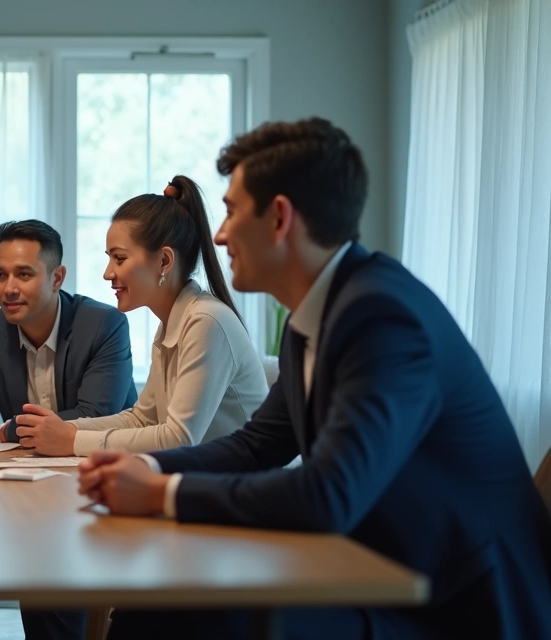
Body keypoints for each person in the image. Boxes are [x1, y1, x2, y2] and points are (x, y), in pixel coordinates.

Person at [78, 118, 551, 639]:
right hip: (378, 567)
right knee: (158, 607)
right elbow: (256, 446)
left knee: (181, 613)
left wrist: (160, 493)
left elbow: (328, 494)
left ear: (279, 218)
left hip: (453, 604)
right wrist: (140, 464)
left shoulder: (383, 317)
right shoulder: (314, 317)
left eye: (232, 211)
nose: (218, 233)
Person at [14, 177, 268, 458]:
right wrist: (63, 429)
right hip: (214, 483)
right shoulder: (172, 323)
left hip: (254, 492)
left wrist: (71, 441)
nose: (108, 273)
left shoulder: (206, 321)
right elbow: (142, 419)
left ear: (164, 261)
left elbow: (178, 437)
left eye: (119, 259)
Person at [0, 220, 136, 457]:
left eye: (23, 274)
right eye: (1, 275)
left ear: (57, 278)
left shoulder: (103, 325)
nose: (9, 288)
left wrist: (10, 430)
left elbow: (96, 416)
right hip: (25, 473)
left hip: (103, 466)